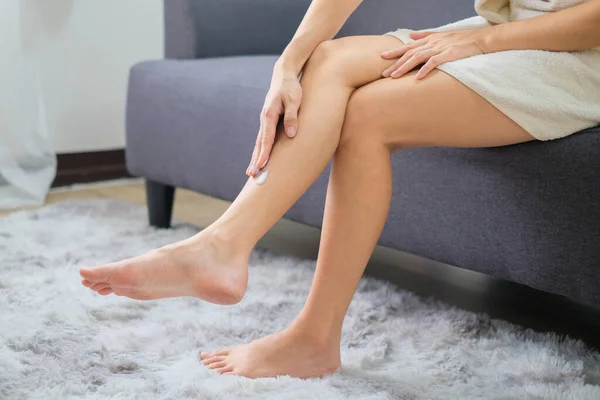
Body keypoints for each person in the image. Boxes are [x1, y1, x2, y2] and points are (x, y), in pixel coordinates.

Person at [80, 0, 600, 379]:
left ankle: (313, 336)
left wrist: (482, 41)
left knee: (368, 114)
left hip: (581, 51)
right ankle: (223, 246)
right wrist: (287, 66)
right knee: (325, 60)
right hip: (505, 29)